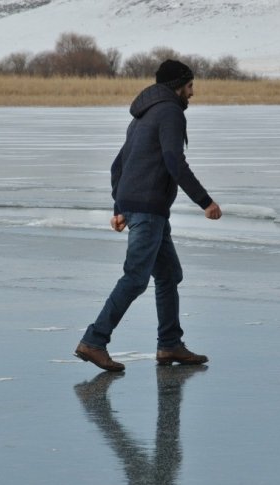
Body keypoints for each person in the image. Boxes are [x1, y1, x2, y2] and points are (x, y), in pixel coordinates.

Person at [74, 59, 222, 372]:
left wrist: (120, 206)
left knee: (168, 275)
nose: (193, 93)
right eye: (190, 86)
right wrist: (205, 201)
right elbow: (173, 160)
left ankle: (169, 344)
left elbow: (118, 165)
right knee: (136, 277)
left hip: (141, 207)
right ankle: (94, 340)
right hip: (148, 208)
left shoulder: (142, 117)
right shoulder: (169, 112)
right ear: (178, 86)